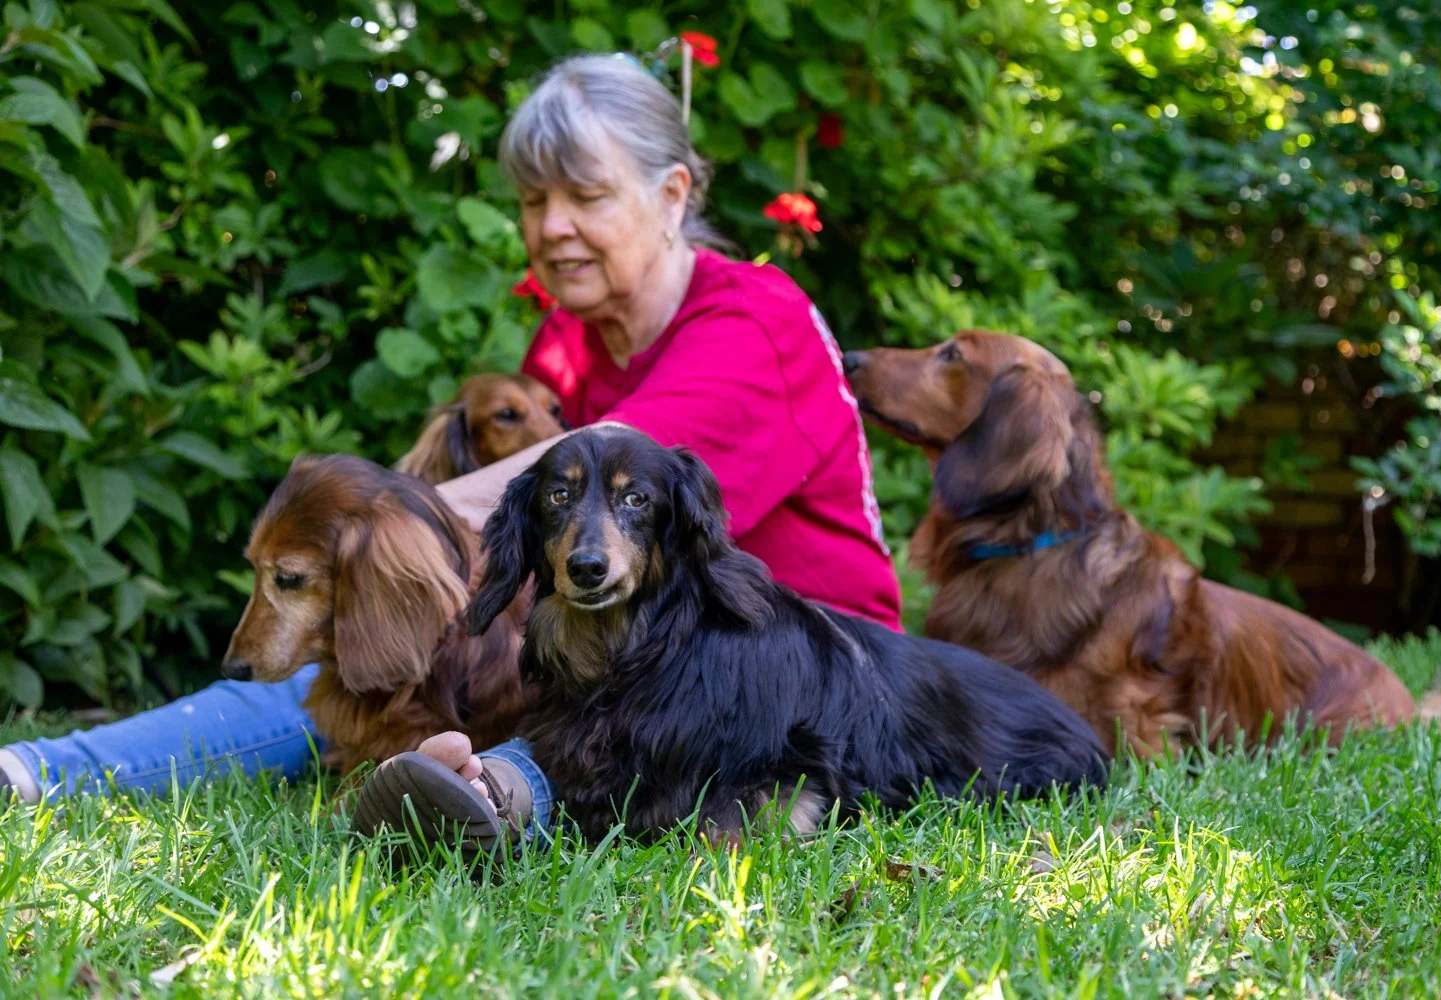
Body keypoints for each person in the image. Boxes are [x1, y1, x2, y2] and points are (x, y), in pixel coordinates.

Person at [0, 54, 900, 847]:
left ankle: (484, 793)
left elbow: (585, 464)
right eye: (533, 200)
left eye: (585, 196)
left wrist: (377, 528)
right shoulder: (567, 345)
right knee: (369, 660)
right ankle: (42, 773)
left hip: (791, 682)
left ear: (672, 197)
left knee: (399, 662)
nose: (551, 228)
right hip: (608, 656)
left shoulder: (756, 324)